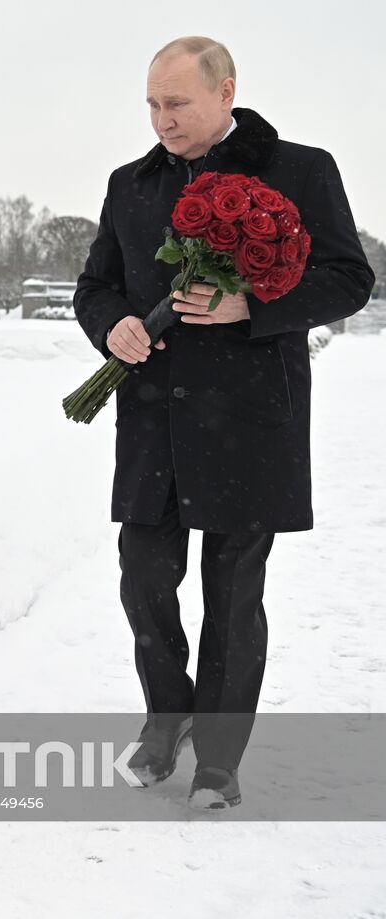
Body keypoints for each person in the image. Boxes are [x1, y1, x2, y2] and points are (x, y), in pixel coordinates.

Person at [72, 36, 375, 808]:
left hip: (251, 418)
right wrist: (113, 327)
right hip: (152, 417)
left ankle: (219, 755)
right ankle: (167, 713)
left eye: (176, 103)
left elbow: (348, 278)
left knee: (233, 592)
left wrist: (254, 305)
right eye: (151, 103)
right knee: (143, 576)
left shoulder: (301, 170)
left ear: (225, 92)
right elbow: (96, 285)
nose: (161, 118)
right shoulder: (130, 185)